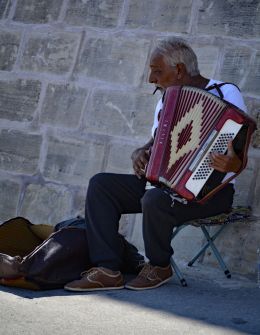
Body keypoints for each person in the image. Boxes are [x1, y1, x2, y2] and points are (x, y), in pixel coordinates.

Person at [64, 37, 247, 292]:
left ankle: (159, 266)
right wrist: (141, 153)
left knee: (155, 200)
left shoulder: (225, 93)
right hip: (164, 187)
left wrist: (231, 162)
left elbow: (238, 157)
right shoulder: (166, 101)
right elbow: (158, 142)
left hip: (211, 192)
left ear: (179, 70)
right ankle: (107, 269)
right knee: (102, 185)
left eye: (157, 71)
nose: (151, 79)